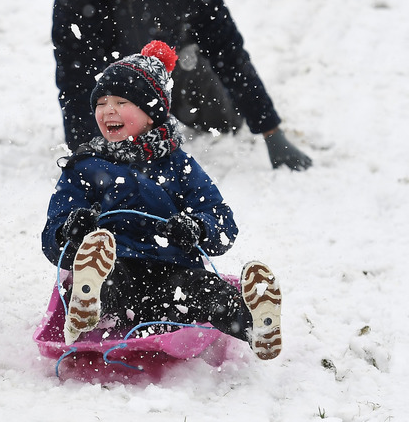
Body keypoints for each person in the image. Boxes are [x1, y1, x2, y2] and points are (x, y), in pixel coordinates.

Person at [41, 40, 283, 360]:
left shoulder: (179, 165)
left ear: (151, 113)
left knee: (206, 292)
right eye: (101, 103)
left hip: (172, 271)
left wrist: (197, 228)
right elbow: (52, 234)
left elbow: (221, 220)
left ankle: (257, 325)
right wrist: (70, 232)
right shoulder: (84, 166)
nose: (107, 110)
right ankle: (84, 309)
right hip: (116, 265)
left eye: (121, 101)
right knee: (107, 284)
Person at [52, 0, 312, 171]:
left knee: (226, 123)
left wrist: (271, 131)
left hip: (177, 76)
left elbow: (229, 53)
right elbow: (75, 83)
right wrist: (86, 160)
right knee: (122, 143)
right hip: (115, 88)